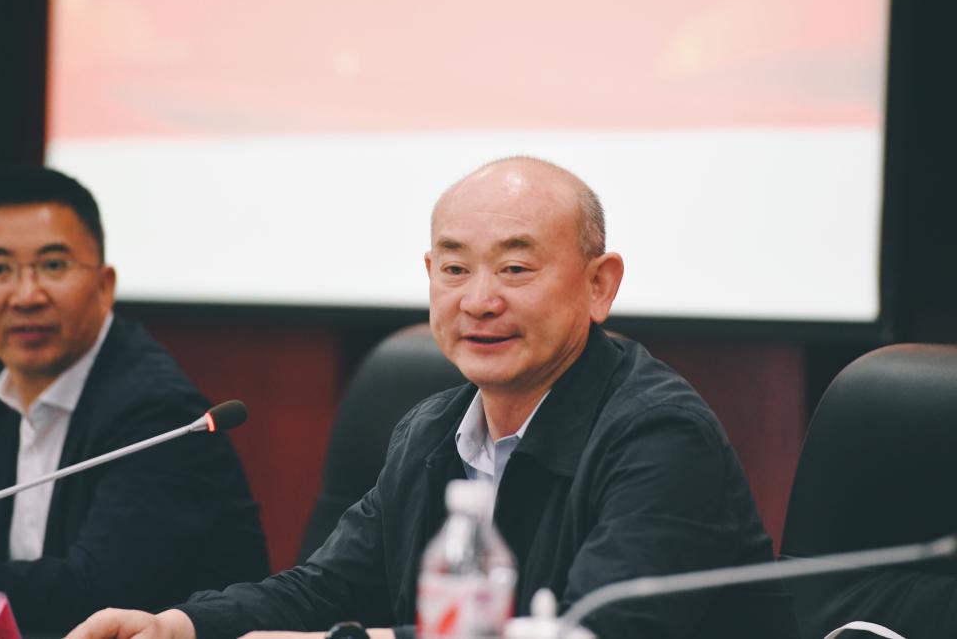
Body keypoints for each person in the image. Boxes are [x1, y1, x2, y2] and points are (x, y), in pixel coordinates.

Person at [68, 157, 797, 639]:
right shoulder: (431, 429)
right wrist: (180, 626)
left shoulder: (661, 435)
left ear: (599, 285)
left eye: (515, 268)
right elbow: (329, 588)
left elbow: (596, 631)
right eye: (454, 269)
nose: (478, 300)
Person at [0, 166, 269, 632]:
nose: (26, 295)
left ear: (105, 286)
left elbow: (92, 596)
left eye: (53, 265)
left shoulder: (159, 413)